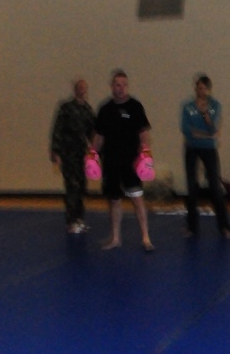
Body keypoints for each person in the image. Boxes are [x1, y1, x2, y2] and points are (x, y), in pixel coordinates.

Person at [93, 70, 154, 252]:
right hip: (111, 161)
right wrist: (92, 154)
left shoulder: (135, 107)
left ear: (127, 86)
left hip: (131, 162)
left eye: (123, 85)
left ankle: (145, 237)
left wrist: (146, 153)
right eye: (117, 85)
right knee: (114, 200)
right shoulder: (105, 109)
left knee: (137, 199)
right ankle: (116, 238)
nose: (120, 88)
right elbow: (98, 136)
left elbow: (144, 133)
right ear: (112, 86)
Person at [182, 74, 230, 238]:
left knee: (215, 187)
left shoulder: (215, 106)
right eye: (198, 88)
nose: (200, 91)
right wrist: (207, 135)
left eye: (203, 88)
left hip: (209, 149)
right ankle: (191, 227)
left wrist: (205, 116)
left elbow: (214, 129)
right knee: (191, 187)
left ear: (209, 90)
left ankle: (224, 227)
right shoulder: (188, 107)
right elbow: (187, 130)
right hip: (192, 148)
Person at [49, 78, 96, 234]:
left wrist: (95, 153)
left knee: (82, 187)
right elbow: (58, 129)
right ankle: (71, 221)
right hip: (68, 154)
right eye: (79, 87)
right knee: (72, 188)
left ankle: (79, 219)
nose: (82, 90)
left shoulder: (88, 110)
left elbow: (93, 133)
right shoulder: (66, 108)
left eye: (84, 87)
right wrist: (56, 152)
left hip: (82, 155)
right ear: (75, 89)